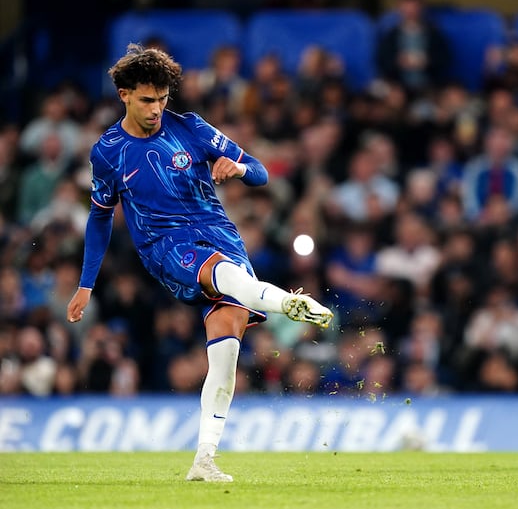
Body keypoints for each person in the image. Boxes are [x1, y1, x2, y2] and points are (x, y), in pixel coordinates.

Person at [66, 44, 333, 482]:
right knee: (227, 278)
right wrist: (86, 283)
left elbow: (261, 170)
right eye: (148, 99)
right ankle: (290, 303)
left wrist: (239, 168)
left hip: (222, 234)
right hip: (166, 244)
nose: (157, 108)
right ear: (124, 95)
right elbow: (98, 217)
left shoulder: (190, 127)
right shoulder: (108, 151)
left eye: (163, 98)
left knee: (226, 354)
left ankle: (203, 460)